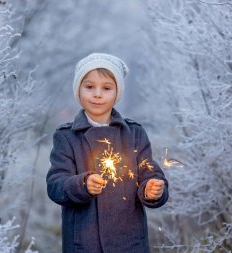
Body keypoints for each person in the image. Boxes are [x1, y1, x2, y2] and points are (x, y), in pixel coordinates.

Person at [46, 53, 169, 253]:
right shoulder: (66, 137)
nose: (97, 94)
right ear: (78, 89)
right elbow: (55, 185)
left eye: (106, 88)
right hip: (84, 244)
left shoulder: (134, 134)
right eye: (89, 86)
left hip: (129, 243)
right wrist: (82, 184)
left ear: (117, 92)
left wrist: (152, 189)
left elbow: (149, 173)